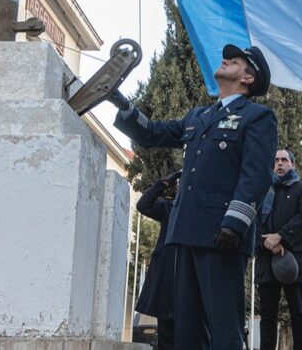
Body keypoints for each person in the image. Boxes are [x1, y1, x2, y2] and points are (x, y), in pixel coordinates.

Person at [111, 44, 278, 350]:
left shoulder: (257, 117)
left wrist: (235, 223)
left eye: (236, 60)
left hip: (221, 235)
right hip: (185, 232)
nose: (225, 59)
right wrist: (122, 104)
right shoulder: (198, 116)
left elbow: (255, 176)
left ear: (248, 78)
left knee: (223, 327)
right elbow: (152, 133)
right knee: (186, 329)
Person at [255, 149, 302, 350]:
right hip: (266, 258)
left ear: (293, 164)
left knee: (298, 313)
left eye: (284, 160)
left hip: (294, 260)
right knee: (267, 315)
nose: (280, 164)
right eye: (276, 160)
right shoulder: (262, 191)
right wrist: (268, 243)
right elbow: (254, 221)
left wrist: (280, 237)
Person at [135, 170, 182, 349]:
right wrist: (163, 184)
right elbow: (143, 205)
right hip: (166, 275)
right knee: (166, 334)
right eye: (180, 182)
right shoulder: (167, 207)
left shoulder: (201, 208)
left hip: (189, 276)